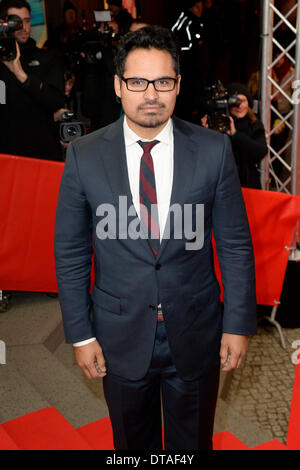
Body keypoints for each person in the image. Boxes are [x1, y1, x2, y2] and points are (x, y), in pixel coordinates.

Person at [54, 26, 257, 450]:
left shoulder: (214, 150)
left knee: (192, 445)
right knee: (131, 447)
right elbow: (71, 251)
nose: (151, 94)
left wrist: (237, 323)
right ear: (117, 85)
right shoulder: (84, 155)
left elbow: (235, 245)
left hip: (197, 330)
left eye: (163, 82)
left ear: (178, 86)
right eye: (137, 82)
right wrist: (80, 333)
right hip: (117, 334)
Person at [0, 0, 65, 161]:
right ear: (5, 24)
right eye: (16, 22)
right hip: (6, 152)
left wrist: (21, 75)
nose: (23, 27)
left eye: (27, 21)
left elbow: (56, 100)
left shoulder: (47, 58)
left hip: (42, 151)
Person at [202, 82, 267, 189]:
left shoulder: (254, 124)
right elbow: (207, 156)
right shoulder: (218, 124)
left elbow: (261, 151)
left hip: (248, 185)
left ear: (249, 103)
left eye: (243, 101)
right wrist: (205, 133)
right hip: (221, 184)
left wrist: (235, 134)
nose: (239, 106)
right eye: (235, 101)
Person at [171, 0, 209, 121]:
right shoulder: (187, 21)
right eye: (197, 7)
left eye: (201, 7)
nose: (200, 10)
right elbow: (183, 44)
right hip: (187, 67)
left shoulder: (196, 21)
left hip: (193, 68)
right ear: (192, 7)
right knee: (186, 98)